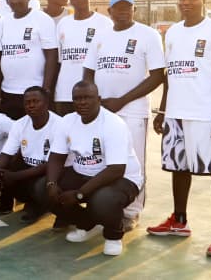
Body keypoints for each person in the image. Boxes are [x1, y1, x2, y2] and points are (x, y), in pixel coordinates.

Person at [147, 0, 211, 258]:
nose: (186, 3)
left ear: (203, 0)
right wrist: (163, 110)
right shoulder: (173, 32)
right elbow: (170, 76)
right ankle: (179, 221)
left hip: (206, 115)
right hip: (176, 114)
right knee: (178, 168)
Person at [83, 0, 165, 227]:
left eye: (127, 7)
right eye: (117, 8)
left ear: (134, 10)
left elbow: (158, 75)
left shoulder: (148, 35)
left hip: (133, 110)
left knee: (133, 162)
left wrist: (122, 100)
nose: (123, 11)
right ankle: (102, 207)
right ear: (109, 12)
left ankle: (131, 212)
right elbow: (88, 71)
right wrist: (95, 100)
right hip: (103, 111)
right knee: (102, 159)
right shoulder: (101, 36)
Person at [46, 80, 143, 257]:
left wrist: (79, 194)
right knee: (43, 190)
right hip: (83, 173)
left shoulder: (114, 124)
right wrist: (51, 184)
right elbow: (56, 157)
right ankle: (87, 224)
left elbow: (116, 169)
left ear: (98, 99)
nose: (82, 102)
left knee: (102, 200)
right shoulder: (67, 121)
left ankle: (113, 236)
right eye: (77, 98)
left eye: (87, 98)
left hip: (122, 179)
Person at [0, 87, 60, 222]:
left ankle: (44, 206)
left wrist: (14, 176)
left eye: (36, 101)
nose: (31, 105)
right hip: (29, 167)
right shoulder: (20, 124)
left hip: (54, 171)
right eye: (27, 102)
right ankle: (31, 201)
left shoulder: (59, 125)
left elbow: (50, 165)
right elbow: (6, 153)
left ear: (46, 102)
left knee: (39, 186)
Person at [0, 0, 58, 120]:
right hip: (8, 91)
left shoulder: (42, 19)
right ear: (7, 1)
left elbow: (51, 56)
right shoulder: (3, 21)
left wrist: (46, 89)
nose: (16, 1)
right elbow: (0, 56)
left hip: (34, 92)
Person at [53, 0, 111, 116]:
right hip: (64, 93)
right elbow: (59, 60)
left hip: (91, 94)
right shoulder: (63, 23)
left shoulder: (104, 23)